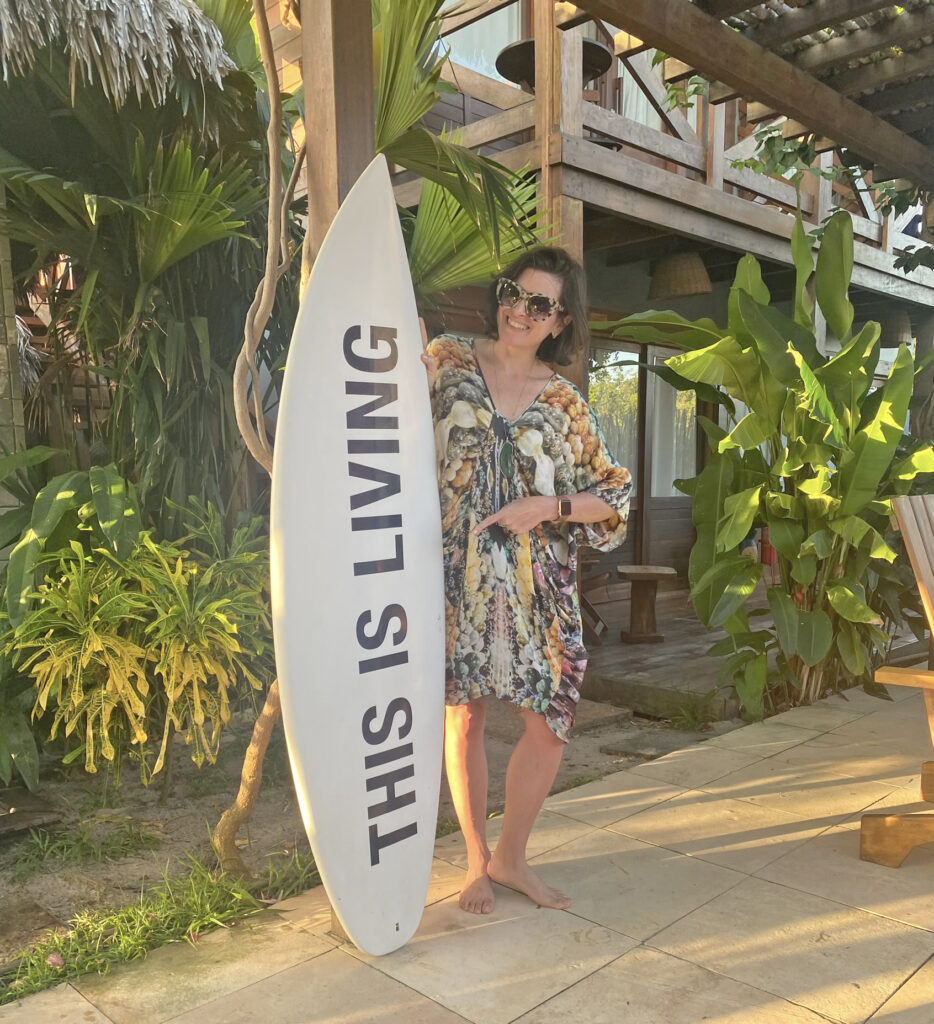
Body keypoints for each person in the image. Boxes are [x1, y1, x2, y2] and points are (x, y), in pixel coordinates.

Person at [422, 246, 632, 915]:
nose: (519, 310)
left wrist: (546, 507)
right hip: (452, 576)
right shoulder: (445, 361)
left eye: (539, 304)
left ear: (559, 320)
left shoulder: (566, 404)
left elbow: (614, 500)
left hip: (539, 588)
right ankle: (476, 862)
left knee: (549, 720)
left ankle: (513, 856)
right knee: (463, 717)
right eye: (514, 293)